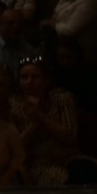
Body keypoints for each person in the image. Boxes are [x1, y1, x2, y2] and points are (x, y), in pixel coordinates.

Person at [11, 58, 78, 186]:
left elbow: (70, 137)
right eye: (24, 77)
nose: (29, 82)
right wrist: (35, 124)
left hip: (68, 157)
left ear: (46, 80)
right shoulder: (13, 105)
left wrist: (42, 116)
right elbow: (14, 146)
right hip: (36, 163)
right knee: (65, 178)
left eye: (35, 77)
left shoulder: (62, 99)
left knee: (88, 170)